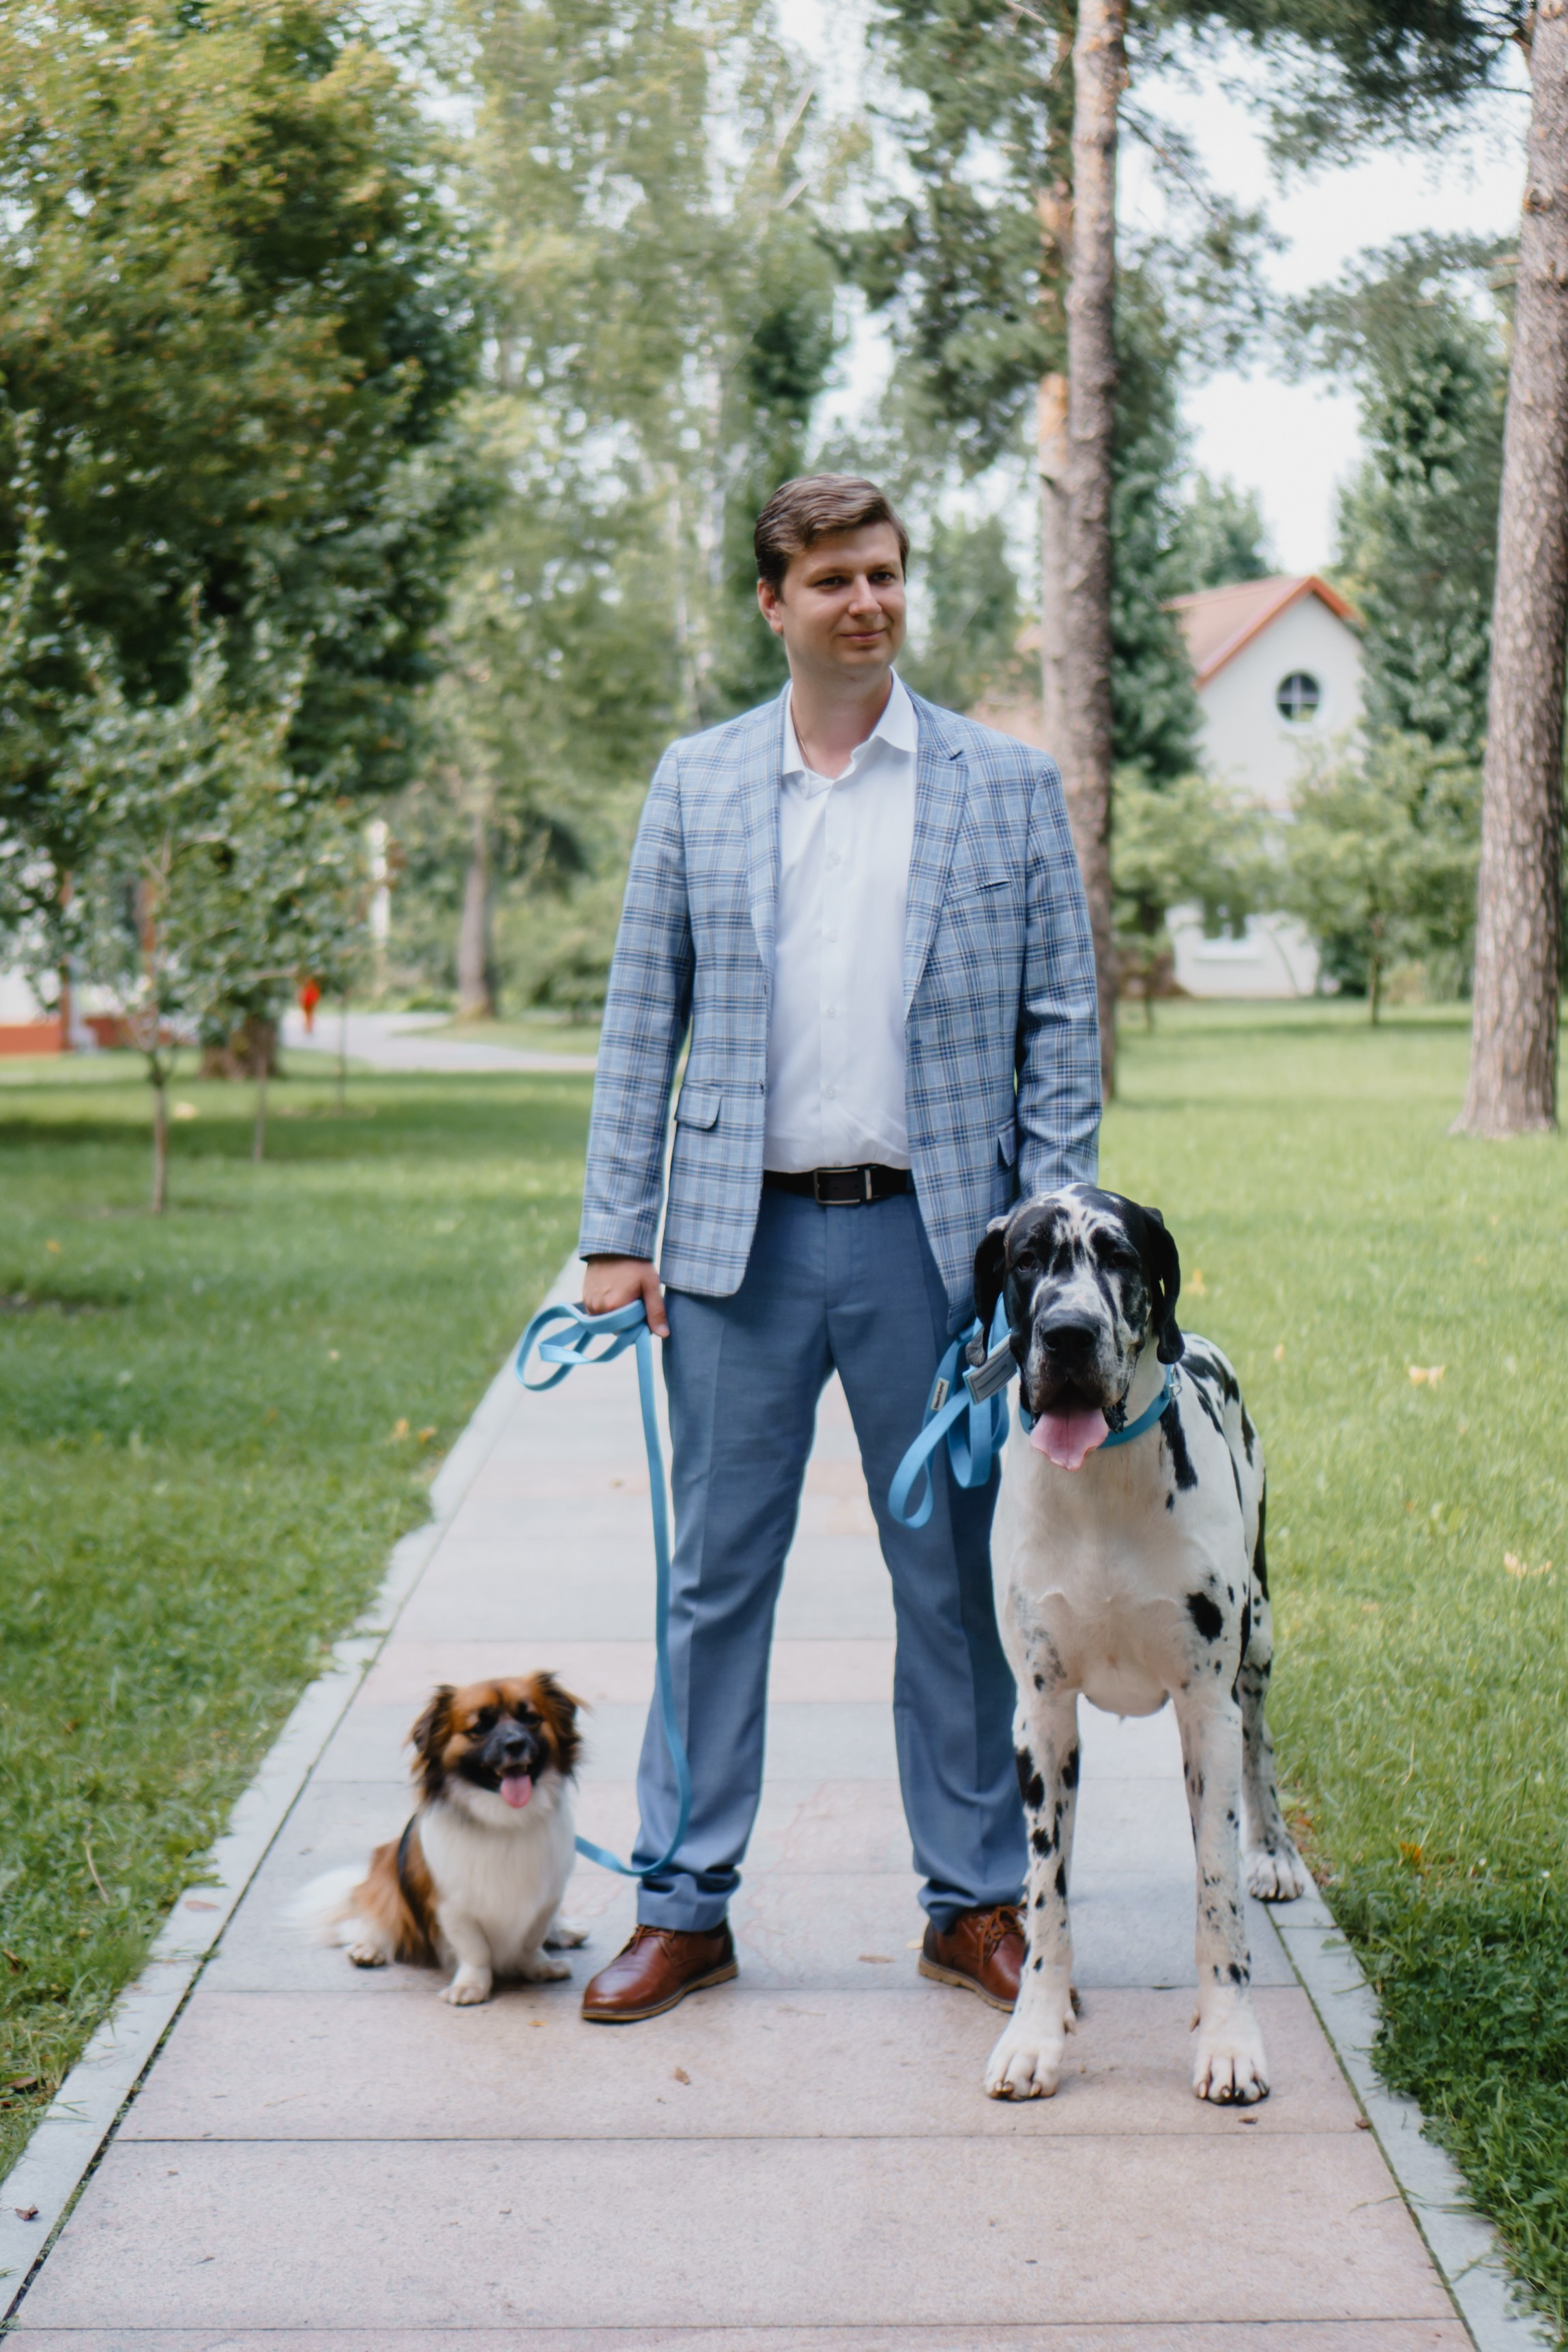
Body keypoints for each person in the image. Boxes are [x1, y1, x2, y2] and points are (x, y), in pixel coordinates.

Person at [575, 474, 1101, 2023]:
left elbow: (1061, 1030)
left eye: (882, 572)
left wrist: (1047, 1263)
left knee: (951, 1584)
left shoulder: (1006, 785)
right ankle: (683, 1905)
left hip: (936, 1255)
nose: (864, 601)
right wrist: (615, 1235)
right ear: (772, 603)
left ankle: (975, 1900)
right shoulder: (698, 783)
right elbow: (642, 1019)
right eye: (829, 580)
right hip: (735, 1248)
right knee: (713, 1579)